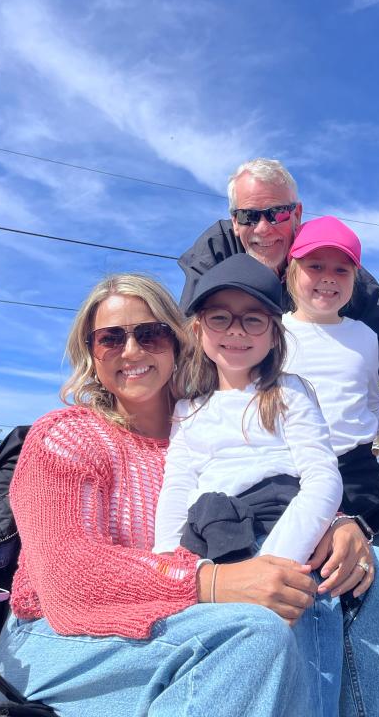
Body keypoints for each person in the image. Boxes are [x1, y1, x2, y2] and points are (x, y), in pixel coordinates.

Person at [0, 273, 310, 715]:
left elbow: (274, 484)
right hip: (54, 636)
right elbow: (68, 579)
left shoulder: (206, 428)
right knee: (254, 634)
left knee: (375, 573)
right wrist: (210, 581)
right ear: (91, 353)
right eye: (110, 339)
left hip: (180, 623)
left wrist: (342, 523)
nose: (132, 351)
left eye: (151, 333)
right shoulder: (66, 437)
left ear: (177, 341)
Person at [153, 254, 344, 713]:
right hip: (212, 538)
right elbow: (177, 485)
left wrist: (278, 560)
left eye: (253, 319)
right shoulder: (188, 408)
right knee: (234, 656)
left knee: (307, 638)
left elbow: (321, 476)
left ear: (275, 332)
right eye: (220, 318)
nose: (236, 331)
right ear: (199, 329)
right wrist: (166, 562)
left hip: (287, 529)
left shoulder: (289, 393)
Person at [178, 157, 379, 426]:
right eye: (249, 216)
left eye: (277, 213)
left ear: (297, 214)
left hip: (310, 426)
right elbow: (187, 346)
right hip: (233, 416)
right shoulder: (215, 255)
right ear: (234, 220)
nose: (263, 229)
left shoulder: (328, 263)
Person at [281, 216, 379, 559]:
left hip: (358, 480)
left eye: (342, 270)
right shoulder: (272, 335)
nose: (328, 277)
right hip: (292, 480)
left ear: (355, 278)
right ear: (292, 271)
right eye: (315, 265)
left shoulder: (365, 337)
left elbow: (372, 410)